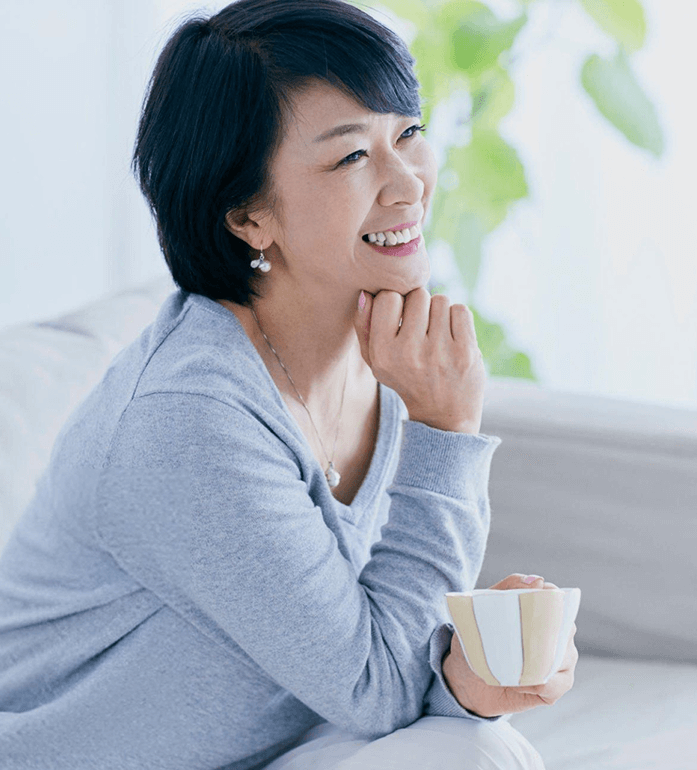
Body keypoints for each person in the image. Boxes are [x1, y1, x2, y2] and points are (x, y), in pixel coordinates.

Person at [0, 1, 578, 768]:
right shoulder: (189, 420)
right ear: (248, 216)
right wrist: (444, 433)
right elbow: (376, 688)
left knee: (477, 743)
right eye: (352, 156)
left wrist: (467, 682)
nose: (407, 182)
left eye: (407, 132)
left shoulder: (385, 356)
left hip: (281, 739)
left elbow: (377, 654)